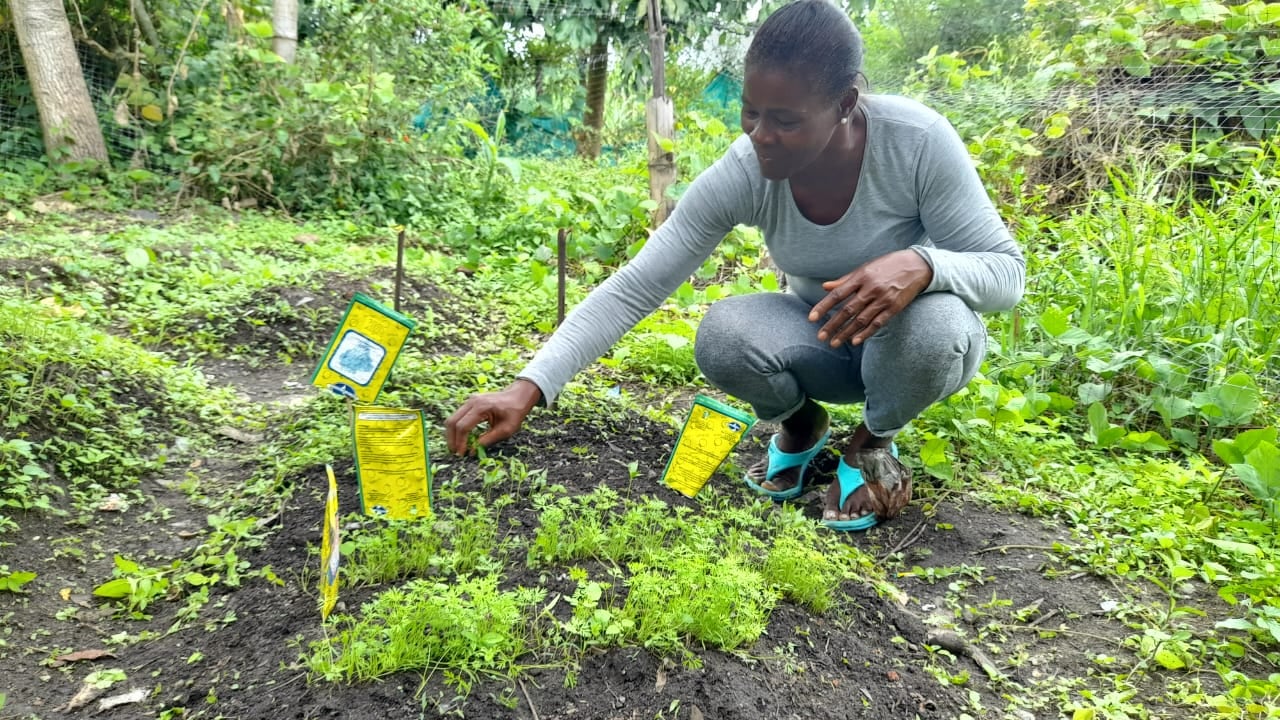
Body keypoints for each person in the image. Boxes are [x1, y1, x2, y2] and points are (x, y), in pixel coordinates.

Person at [445, 0, 1024, 531]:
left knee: (939, 324)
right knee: (723, 335)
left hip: (903, 347)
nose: (761, 136)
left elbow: (1006, 275)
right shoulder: (748, 168)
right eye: (751, 112)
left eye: (786, 120)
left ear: (845, 104)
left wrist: (923, 264)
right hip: (820, 339)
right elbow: (637, 285)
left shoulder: (917, 143)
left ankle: (871, 443)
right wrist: (531, 384)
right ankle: (802, 427)